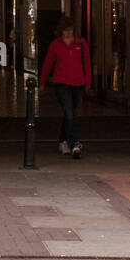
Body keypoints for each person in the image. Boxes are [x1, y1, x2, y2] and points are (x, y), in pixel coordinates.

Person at [40, 18, 91, 158]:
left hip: (78, 84)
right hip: (61, 83)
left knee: (70, 113)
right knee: (69, 112)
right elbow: (47, 64)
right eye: (65, 30)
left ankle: (63, 141)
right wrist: (42, 82)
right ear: (60, 31)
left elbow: (87, 62)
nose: (68, 33)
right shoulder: (55, 45)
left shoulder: (81, 43)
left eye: (70, 30)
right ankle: (74, 144)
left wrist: (88, 81)